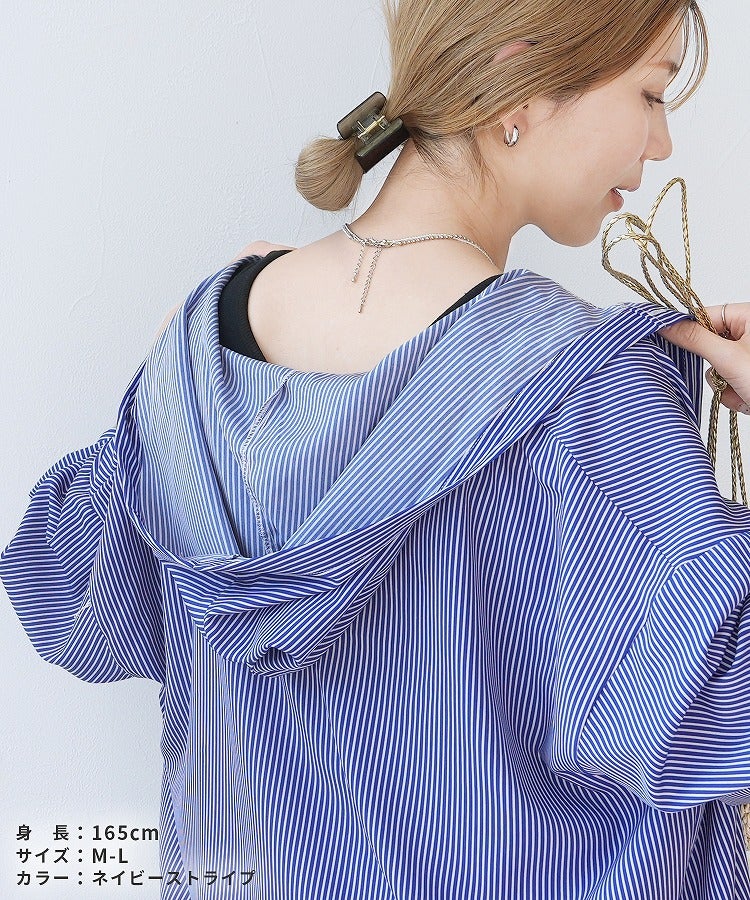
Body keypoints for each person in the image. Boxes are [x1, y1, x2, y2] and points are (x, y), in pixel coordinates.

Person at [3, 1, 750, 898]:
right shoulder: (588, 387)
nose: (662, 143)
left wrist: (165, 377)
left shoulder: (199, 349)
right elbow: (711, 715)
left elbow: (69, 604)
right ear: (520, 82)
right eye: (651, 94)